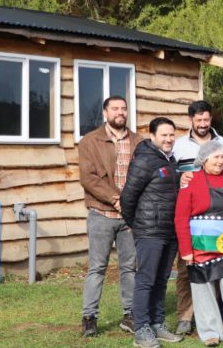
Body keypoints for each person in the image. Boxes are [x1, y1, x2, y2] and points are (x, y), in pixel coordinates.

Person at [175, 141, 223, 348]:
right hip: (200, 246)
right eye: (216, 157)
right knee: (204, 289)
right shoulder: (191, 181)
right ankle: (210, 333)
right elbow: (181, 217)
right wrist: (186, 250)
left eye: (222, 157)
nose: (220, 161)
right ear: (204, 159)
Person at [78, 95, 143, 337]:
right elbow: (89, 178)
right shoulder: (90, 141)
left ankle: (130, 314)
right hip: (101, 214)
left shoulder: (138, 141)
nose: (121, 112)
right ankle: (89, 317)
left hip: (129, 218)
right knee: (97, 268)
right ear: (105, 112)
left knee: (129, 267)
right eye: (115, 108)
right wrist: (117, 200)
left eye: (124, 109)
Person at [120, 117, 183, 348]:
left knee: (161, 280)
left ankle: (157, 323)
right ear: (153, 136)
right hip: (149, 232)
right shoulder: (145, 160)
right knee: (146, 280)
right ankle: (141, 329)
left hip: (170, 231)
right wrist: (136, 225)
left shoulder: (170, 160)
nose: (168, 139)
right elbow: (128, 197)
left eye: (171, 135)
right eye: (164, 135)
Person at [171, 100, 223, 335]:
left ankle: (214, 315)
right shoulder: (179, 146)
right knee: (188, 265)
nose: (203, 124)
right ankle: (185, 316)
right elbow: (172, 176)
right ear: (191, 120)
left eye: (207, 119)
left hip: (218, 213)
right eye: (199, 120)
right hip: (191, 213)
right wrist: (180, 180)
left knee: (218, 265)